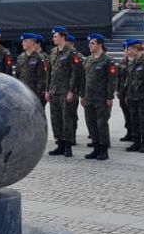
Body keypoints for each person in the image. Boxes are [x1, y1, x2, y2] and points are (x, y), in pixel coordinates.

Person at [46, 27, 82, 157]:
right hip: (54, 91)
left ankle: (68, 146)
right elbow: (49, 73)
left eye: (55, 36)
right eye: (53, 36)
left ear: (63, 37)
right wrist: (47, 90)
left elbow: (75, 73)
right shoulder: (53, 52)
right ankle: (59, 144)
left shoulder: (72, 53)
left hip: (66, 91)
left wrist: (72, 91)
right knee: (56, 118)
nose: (53, 38)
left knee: (67, 118)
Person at [82, 34, 118, 160]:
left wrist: (109, 97)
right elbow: (84, 79)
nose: (90, 45)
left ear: (100, 44)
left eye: (92, 43)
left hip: (101, 98)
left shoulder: (108, 60)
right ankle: (96, 148)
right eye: (89, 43)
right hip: (89, 97)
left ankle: (104, 150)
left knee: (101, 124)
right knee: (91, 123)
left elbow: (112, 80)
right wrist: (82, 95)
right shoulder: (87, 60)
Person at [119, 40, 144, 153]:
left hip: (142, 97)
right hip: (131, 96)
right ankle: (136, 141)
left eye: (130, 49)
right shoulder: (131, 62)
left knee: (143, 120)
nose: (128, 52)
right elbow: (128, 80)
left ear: (136, 49)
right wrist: (126, 94)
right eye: (128, 50)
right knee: (133, 120)